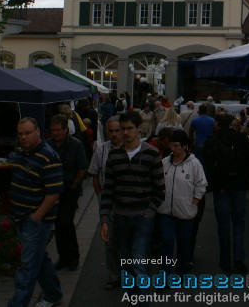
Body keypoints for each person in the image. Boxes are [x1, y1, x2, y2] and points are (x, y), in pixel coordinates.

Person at [99, 111, 164, 286]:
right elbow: (108, 190)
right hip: (120, 217)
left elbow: (160, 191)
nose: (125, 133)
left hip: (142, 216)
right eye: (123, 129)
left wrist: (148, 214)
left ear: (139, 129)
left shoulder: (152, 154)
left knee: (138, 262)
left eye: (129, 128)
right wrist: (105, 219)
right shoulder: (114, 155)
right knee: (127, 263)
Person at [7, 117, 64, 307]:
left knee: (27, 267)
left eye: (27, 133)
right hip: (21, 216)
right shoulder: (23, 153)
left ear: (38, 132)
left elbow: (54, 191)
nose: (23, 137)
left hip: (35, 220)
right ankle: (53, 293)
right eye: (20, 134)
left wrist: (38, 215)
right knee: (39, 260)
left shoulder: (48, 156)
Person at [204, 113, 249, 273]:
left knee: (223, 224)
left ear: (217, 124)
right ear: (231, 123)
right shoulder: (241, 138)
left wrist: (214, 184)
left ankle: (225, 261)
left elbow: (207, 166)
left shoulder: (212, 140)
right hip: (239, 185)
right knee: (239, 222)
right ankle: (239, 258)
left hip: (221, 187)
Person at [157, 130, 207, 275]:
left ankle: (182, 270)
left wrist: (194, 203)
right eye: (171, 145)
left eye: (176, 145)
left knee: (184, 244)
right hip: (165, 211)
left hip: (186, 212)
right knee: (166, 241)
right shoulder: (165, 162)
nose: (173, 149)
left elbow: (201, 185)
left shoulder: (195, 164)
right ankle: (165, 273)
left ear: (185, 146)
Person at [47, 114, 88, 272]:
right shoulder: (48, 145)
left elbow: (83, 167)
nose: (55, 133)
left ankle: (73, 256)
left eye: (58, 130)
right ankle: (63, 257)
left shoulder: (75, 144)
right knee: (58, 224)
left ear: (65, 130)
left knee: (66, 222)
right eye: (53, 130)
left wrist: (73, 187)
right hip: (53, 191)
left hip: (69, 190)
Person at [87, 117, 122, 290]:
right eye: (111, 131)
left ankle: (131, 274)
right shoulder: (101, 150)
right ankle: (114, 276)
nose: (114, 134)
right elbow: (94, 173)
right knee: (110, 241)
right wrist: (100, 196)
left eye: (117, 130)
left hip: (127, 202)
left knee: (129, 241)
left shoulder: (128, 149)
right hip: (108, 202)